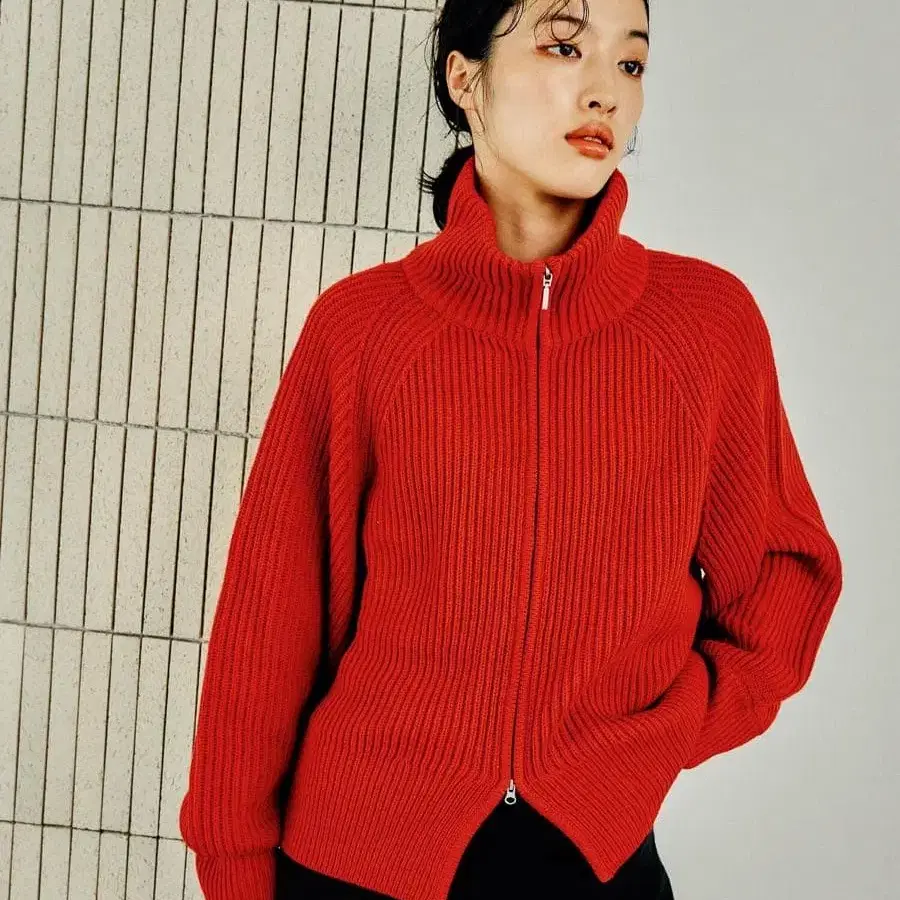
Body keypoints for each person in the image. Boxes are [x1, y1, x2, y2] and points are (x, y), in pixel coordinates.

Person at [179, 1, 844, 898]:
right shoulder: (364, 332)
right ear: (465, 79)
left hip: (595, 865)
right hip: (352, 864)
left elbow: (781, 576)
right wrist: (232, 862)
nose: (605, 92)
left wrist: (660, 732)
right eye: (564, 47)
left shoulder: (704, 328)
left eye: (632, 64)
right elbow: (269, 625)